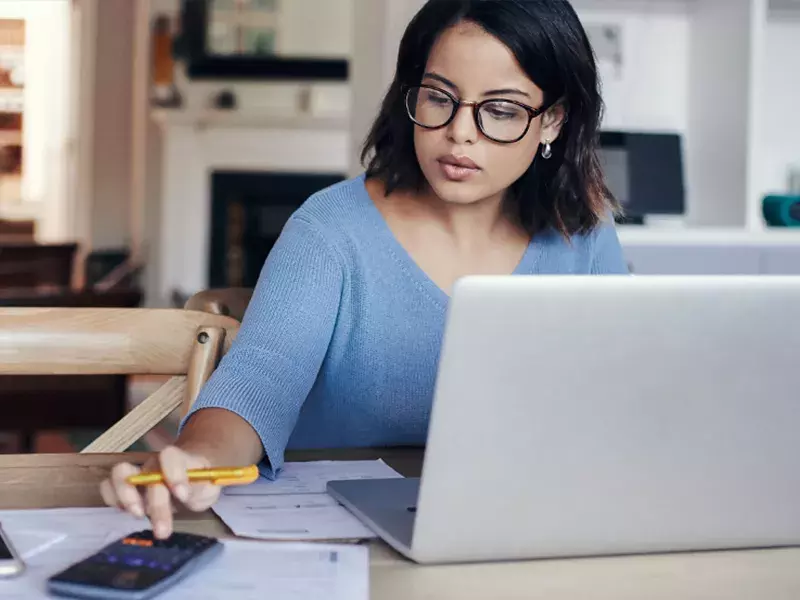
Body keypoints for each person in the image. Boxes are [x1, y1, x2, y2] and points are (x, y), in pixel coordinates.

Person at [101, 0, 628, 538]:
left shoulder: (583, 232)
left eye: (502, 110)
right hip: (333, 538)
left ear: (553, 121)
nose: (459, 133)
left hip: (516, 526)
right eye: (439, 98)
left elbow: (625, 394)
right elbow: (259, 380)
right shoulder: (330, 228)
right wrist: (196, 458)